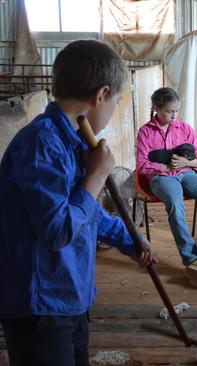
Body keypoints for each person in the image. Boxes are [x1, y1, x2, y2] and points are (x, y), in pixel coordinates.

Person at [0, 40, 157, 366]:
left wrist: (129, 239)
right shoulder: (41, 145)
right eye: (115, 101)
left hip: (70, 297)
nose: (113, 110)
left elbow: (84, 211)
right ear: (100, 95)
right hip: (40, 305)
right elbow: (57, 230)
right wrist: (97, 177)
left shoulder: (72, 142)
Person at [136, 87, 197, 288]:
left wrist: (186, 163)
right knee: (175, 203)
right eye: (169, 111)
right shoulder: (146, 132)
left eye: (177, 110)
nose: (174, 115)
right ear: (156, 109)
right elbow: (142, 165)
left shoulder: (185, 129)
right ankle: (191, 259)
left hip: (186, 172)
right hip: (161, 177)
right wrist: (165, 166)